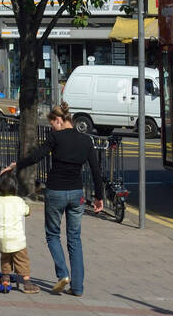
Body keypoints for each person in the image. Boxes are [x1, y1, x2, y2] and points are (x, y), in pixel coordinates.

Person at [7, 102, 104, 296]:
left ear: (59, 120)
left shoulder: (55, 137)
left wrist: (17, 165)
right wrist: (98, 197)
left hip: (56, 192)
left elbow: (36, 157)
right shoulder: (86, 141)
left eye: (52, 124)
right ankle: (77, 287)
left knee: (52, 235)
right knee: (74, 239)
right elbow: (96, 170)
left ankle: (63, 274)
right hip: (76, 194)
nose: (52, 128)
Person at [0, 169, 38, 293]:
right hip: (17, 239)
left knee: (5, 258)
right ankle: (27, 283)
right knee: (22, 260)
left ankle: (5, 278)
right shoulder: (19, 201)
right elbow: (27, 211)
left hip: (3, 238)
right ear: (15, 186)